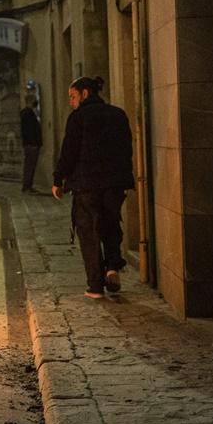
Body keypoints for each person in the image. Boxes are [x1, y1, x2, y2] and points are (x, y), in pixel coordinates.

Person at [52, 76, 134, 299]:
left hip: (87, 184)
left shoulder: (78, 118)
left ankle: (95, 285)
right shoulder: (118, 115)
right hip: (115, 183)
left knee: (89, 232)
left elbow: (69, 151)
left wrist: (58, 180)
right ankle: (112, 268)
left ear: (85, 93)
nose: (71, 102)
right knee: (111, 224)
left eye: (73, 96)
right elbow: (127, 148)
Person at [20, 94, 42, 192]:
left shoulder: (27, 113)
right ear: (30, 101)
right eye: (34, 100)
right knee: (30, 166)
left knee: (29, 166)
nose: (35, 102)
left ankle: (27, 185)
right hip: (31, 145)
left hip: (30, 144)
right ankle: (27, 186)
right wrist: (34, 143)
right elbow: (29, 130)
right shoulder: (28, 114)